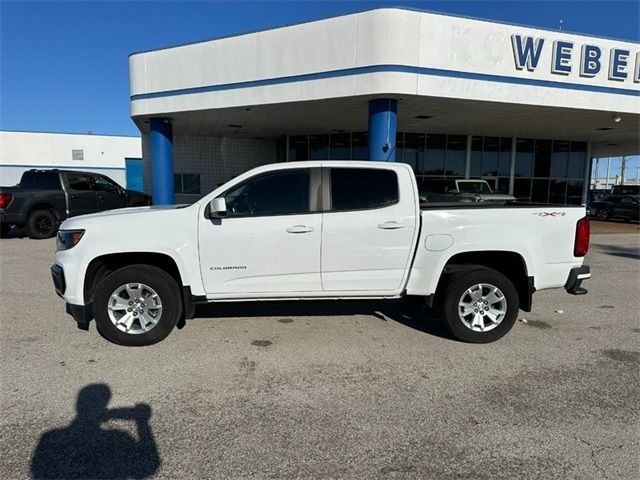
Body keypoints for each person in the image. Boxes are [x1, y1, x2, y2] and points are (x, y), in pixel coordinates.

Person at [31, 384, 160, 479]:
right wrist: (142, 423)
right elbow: (149, 466)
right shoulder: (120, 437)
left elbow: (38, 472)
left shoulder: (50, 437)